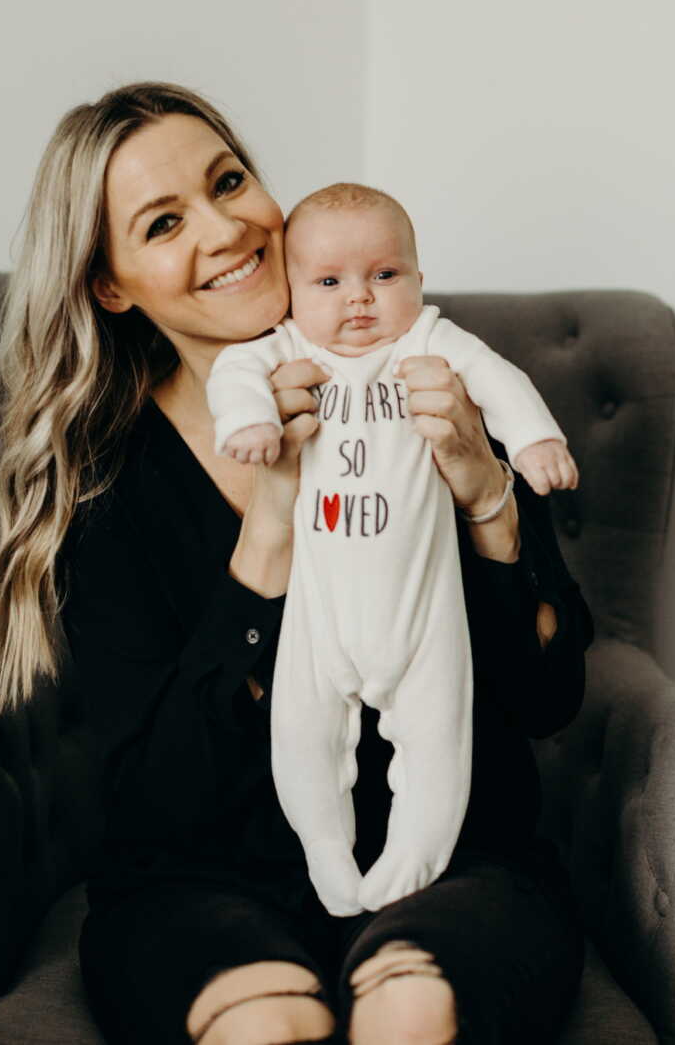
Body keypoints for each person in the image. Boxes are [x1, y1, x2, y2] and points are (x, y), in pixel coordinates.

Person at [0, 81, 595, 1045]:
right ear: (112, 284)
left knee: (412, 1012)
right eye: (164, 222)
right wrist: (268, 533)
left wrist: (486, 498)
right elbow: (158, 804)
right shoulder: (107, 486)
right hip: (200, 890)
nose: (226, 229)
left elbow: (548, 702)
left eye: (230, 181)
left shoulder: (426, 370)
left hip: (456, 864)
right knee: (262, 1028)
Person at [207, 184, 579, 917]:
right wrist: (249, 420)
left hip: (422, 601)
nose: (359, 300)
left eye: (385, 275)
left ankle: (414, 856)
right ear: (291, 288)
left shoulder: (428, 340)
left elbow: (500, 380)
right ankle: (325, 850)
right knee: (302, 729)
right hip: (320, 608)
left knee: (440, 732)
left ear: (418, 276)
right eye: (329, 281)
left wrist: (533, 440)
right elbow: (234, 374)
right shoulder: (287, 347)